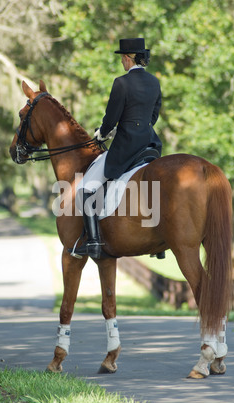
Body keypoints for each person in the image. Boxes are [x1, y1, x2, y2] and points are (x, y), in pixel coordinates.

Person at [69, 38, 162, 260]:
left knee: (86, 189)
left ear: (128, 58)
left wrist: (102, 133)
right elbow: (153, 116)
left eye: (122, 58)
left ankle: (92, 243)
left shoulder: (121, 82)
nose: (122, 62)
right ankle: (159, 245)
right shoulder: (154, 82)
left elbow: (111, 119)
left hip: (127, 145)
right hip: (149, 143)